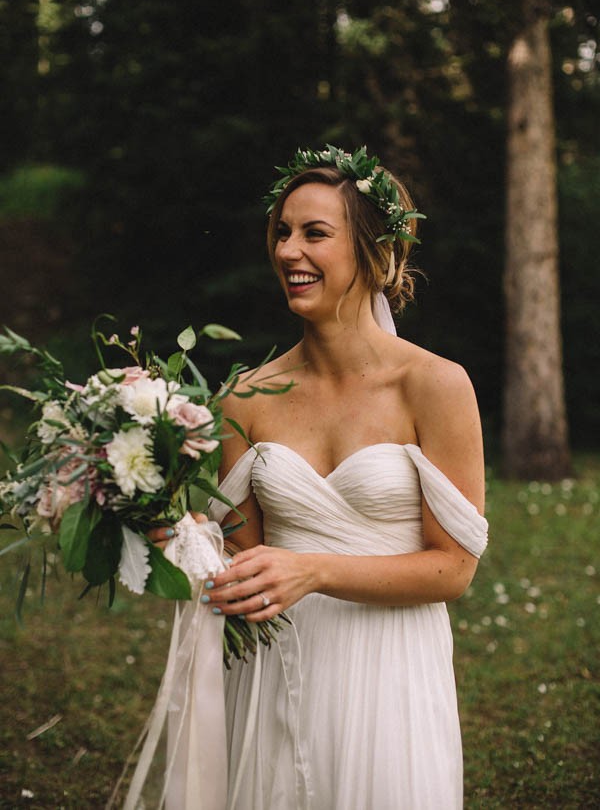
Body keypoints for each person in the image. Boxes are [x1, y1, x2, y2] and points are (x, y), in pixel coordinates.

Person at [152, 145, 488, 809]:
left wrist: (315, 571)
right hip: (278, 666)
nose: (288, 251)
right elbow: (241, 561)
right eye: (281, 232)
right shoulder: (247, 396)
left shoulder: (435, 386)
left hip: (390, 667)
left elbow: (454, 569)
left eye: (315, 234)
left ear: (374, 251)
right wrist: (172, 528)